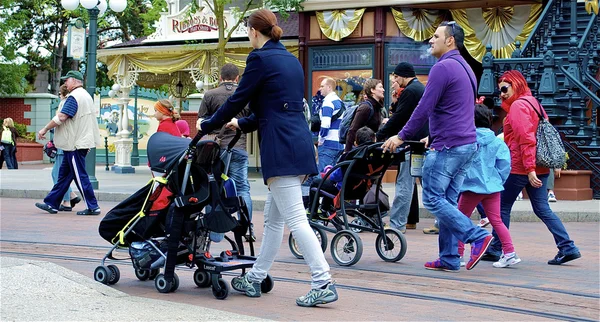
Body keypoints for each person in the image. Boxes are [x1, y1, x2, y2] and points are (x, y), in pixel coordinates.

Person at [198, 9, 337, 307]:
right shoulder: (289, 59)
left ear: (253, 31)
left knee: (297, 219)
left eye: (247, 30)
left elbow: (238, 99)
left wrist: (209, 124)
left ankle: (322, 280)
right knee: (274, 221)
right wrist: (241, 123)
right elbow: (277, 107)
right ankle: (255, 276)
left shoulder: (259, 58)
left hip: (280, 148)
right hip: (298, 143)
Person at [382, 21, 493, 272]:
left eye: (436, 36)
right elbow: (456, 109)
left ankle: (476, 236)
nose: (431, 40)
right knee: (448, 203)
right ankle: (450, 257)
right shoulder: (466, 67)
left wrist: (401, 136)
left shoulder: (443, 68)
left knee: (432, 199)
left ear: (450, 40)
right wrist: (432, 134)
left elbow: (424, 108)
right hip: (466, 145)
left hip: (448, 147)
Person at [481, 70, 581, 265]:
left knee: (502, 207)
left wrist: (529, 169)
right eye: (499, 89)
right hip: (539, 166)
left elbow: (526, 140)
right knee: (542, 208)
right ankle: (567, 247)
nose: (501, 93)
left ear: (515, 84)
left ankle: (497, 248)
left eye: (504, 88)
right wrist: (534, 168)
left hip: (522, 167)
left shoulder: (518, 106)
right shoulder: (534, 102)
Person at [456, 104, 519, 268]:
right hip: (492, 187)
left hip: (471, 187)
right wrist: (497, 180)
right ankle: (510, 252)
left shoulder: (467, 140)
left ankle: (458, 253)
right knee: (497, 220)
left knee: (460, 220)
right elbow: (505, 164)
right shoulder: (497, 141)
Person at [195, 63, 253, 237]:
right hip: (238, 147)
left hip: (215, 149)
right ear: (237, 78)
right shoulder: (246, 95)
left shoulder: (210, 95)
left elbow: (201, 123)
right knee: (242, 187)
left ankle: (215, 231)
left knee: (214, 186)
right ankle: (246, 228)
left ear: (220, 78)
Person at [35, 70, 102, 216]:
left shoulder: (74, 97)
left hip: (74, 144)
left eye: (67, 80)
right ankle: (52, 203)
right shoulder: (86, 96)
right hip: (78, 142)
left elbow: (62, 117)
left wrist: (45, 129)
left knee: (80, 176)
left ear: (74, 80)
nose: (65, 83)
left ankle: (93, 206)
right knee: (64, 176)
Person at [376, 62, 426, 234]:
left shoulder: (411, 91)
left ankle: (397, 224)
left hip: (413, 144)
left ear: (404, 75)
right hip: (424, 142)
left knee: (404, 183)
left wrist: (381, 134)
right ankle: (440, 223)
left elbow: (399, 117)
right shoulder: (419, 88)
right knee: (429, 185)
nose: (395, 80)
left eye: (396, 77)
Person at [309, 126, 376, 216]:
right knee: (328, 184)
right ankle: (326, 209)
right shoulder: (375, 157)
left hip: (345, 190)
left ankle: (313, 212)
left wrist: (329, 170)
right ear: (374, 140)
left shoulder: (350, 156)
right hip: (364, 190)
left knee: (317, 183)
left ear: (356, 143)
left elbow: (335, 177)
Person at [53, 85, 81, 211]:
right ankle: (70, 196)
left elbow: (60, 121)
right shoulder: (72, 103)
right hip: (67, 143)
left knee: (58, 174)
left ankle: (67, 201)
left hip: (64, 143)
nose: (59, 95)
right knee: (61, 174)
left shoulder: (65, 103)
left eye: (60, 93)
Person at [344, 78, 384, 153]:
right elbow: (352, 130)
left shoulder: (377, 107)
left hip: (369, 149)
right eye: (380, 87)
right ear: (372, 90)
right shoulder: (366, 108)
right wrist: (347, 152)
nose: (383, 90)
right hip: (362, 150)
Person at [316, 77, 344, 171]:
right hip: (339, 145)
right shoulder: (339, 101)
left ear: (329, 87)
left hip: (328, 145)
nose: (320, 89)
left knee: (322, 177)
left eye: (322, 86)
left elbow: (325, 124)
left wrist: (321, 139)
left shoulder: (328, 102)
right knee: (331, 178)